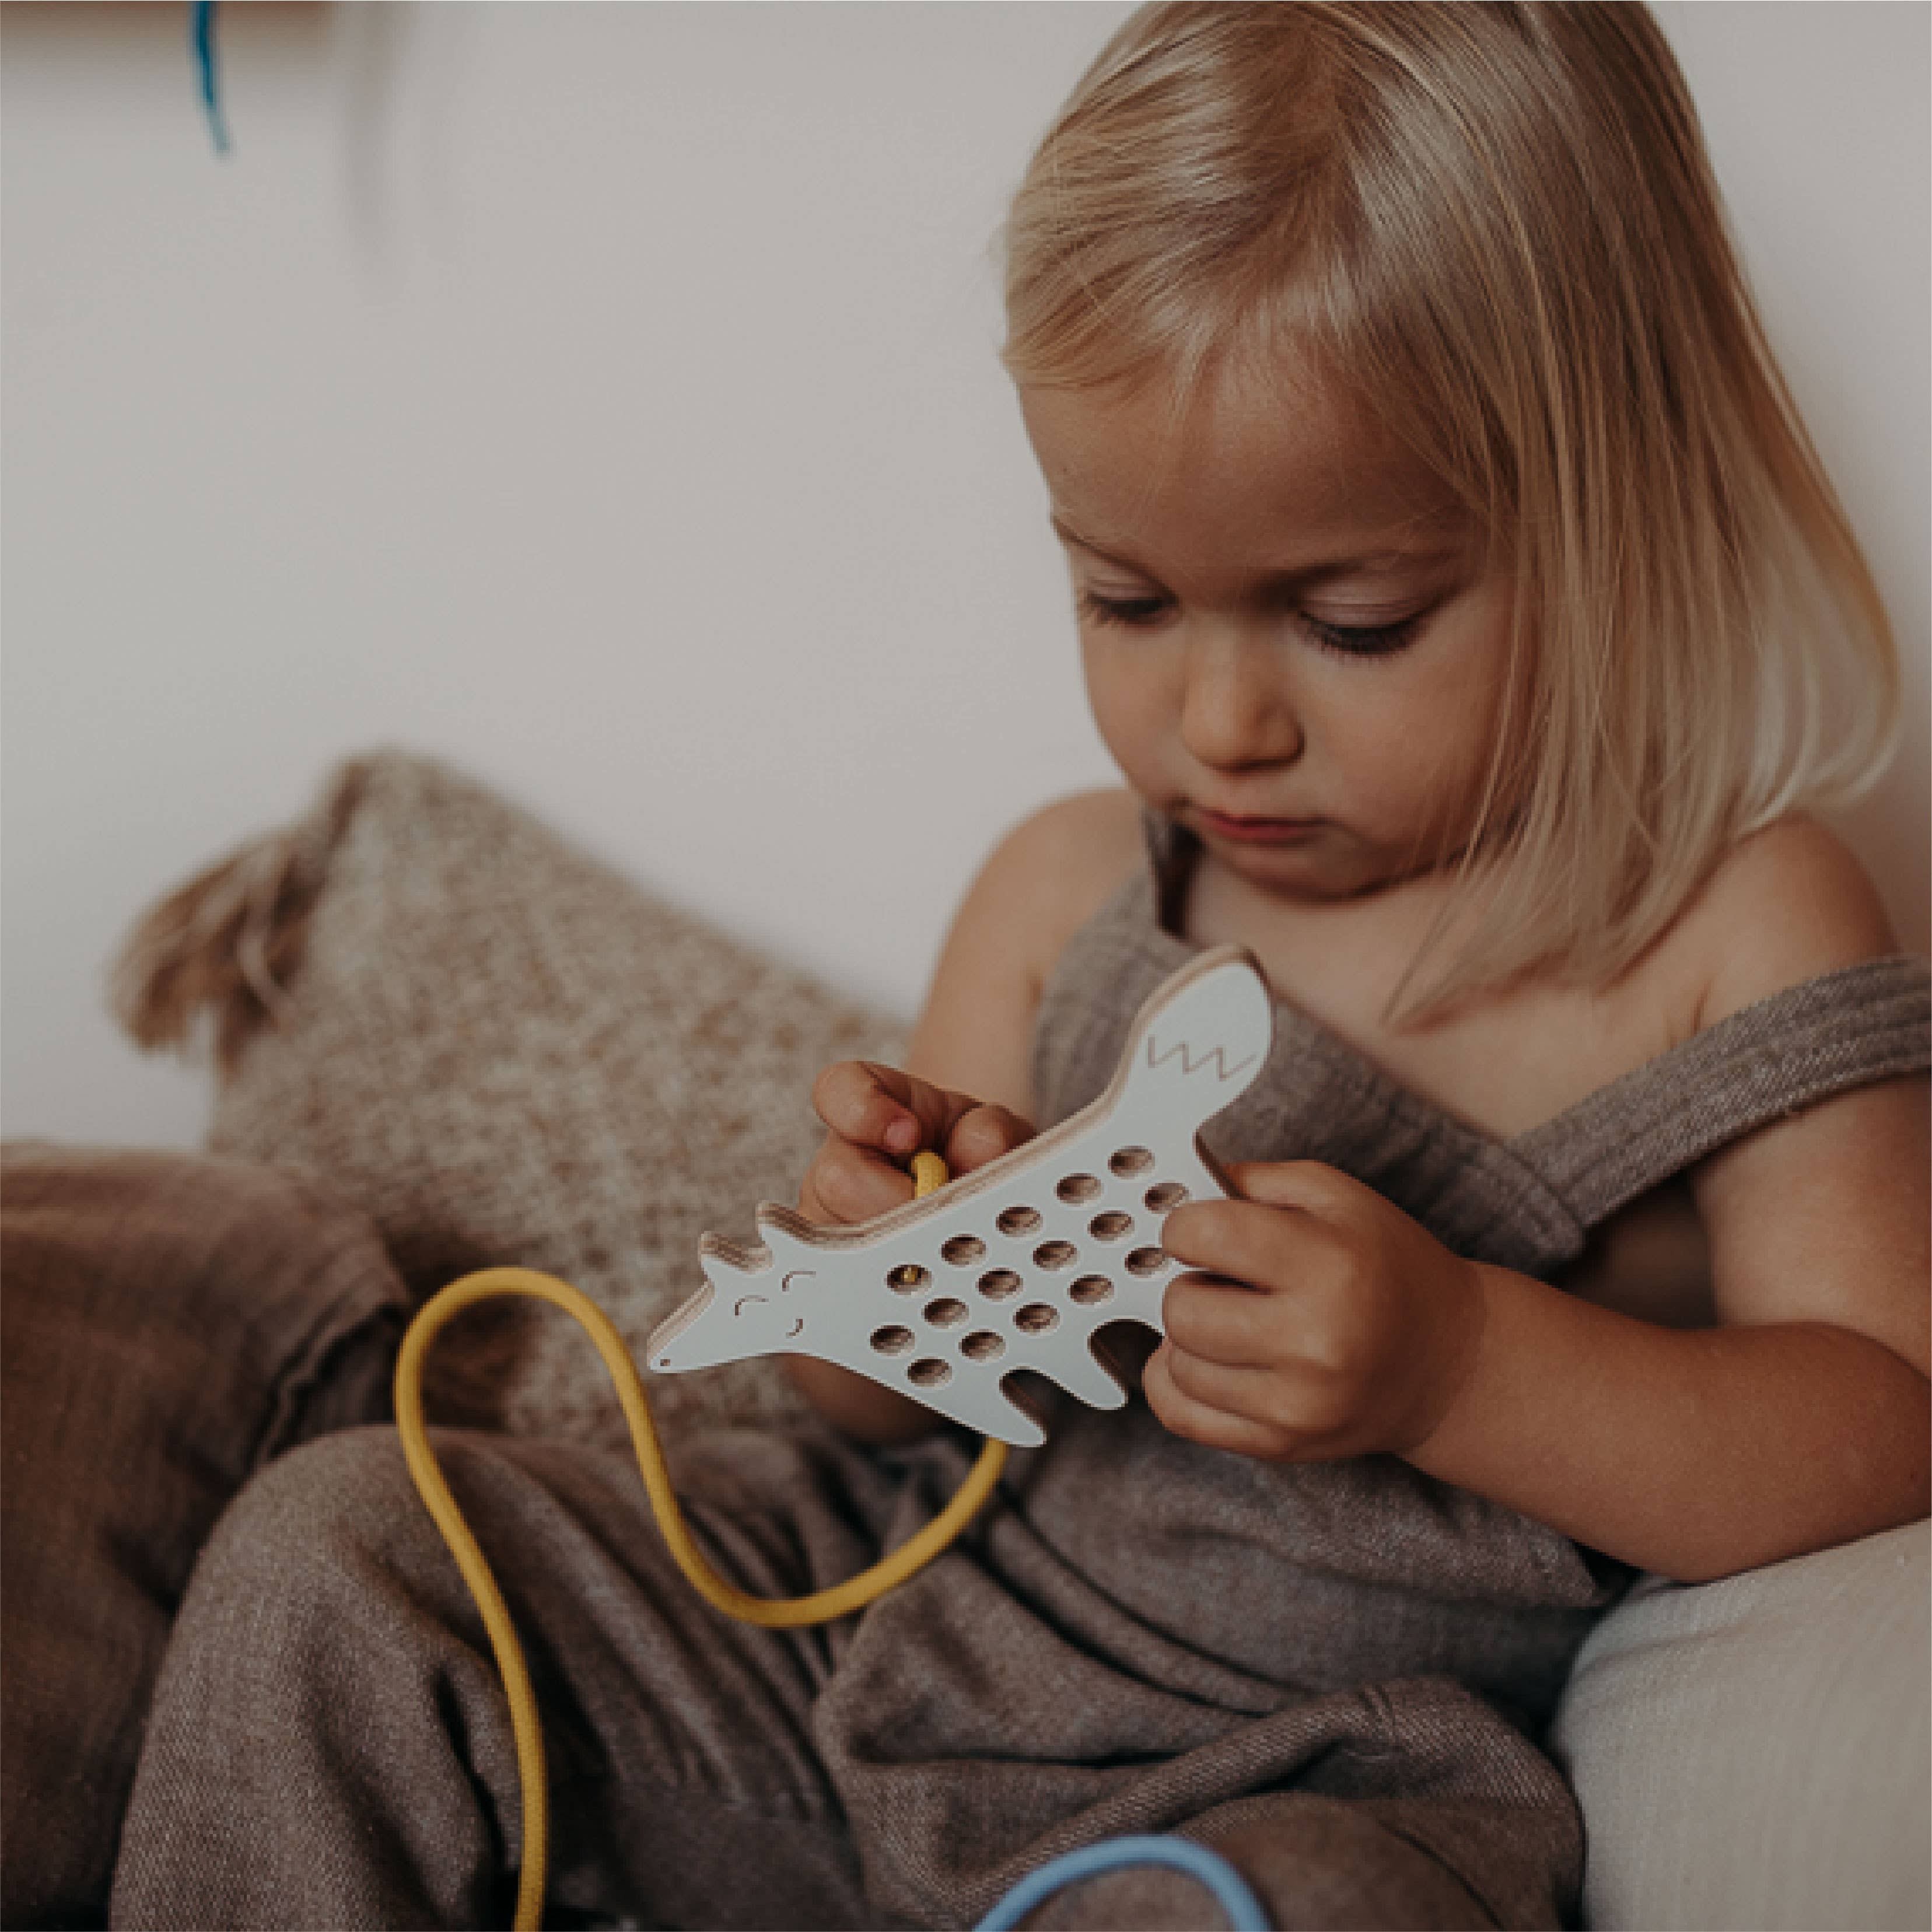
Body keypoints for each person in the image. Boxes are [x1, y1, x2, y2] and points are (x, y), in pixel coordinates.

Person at [112, 5, 1928, 1928]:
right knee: (351, 1548)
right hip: (854, 1658)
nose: (1220, 719)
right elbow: (859, 1413)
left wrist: (1464, 1364)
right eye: (1124, 599)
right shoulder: (1075, 885)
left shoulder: (1731, 924)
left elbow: (1885, 1420)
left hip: (1304, 1775)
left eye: (1355, 619)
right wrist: (881, 1253)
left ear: (1614, 507)